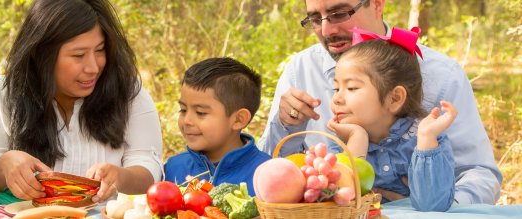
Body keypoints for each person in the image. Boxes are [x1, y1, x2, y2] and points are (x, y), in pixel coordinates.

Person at [257, 0, 502, 204]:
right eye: (315, 19)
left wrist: (436, 205)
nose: (326, 30)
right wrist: (285, 126)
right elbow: (268, 175)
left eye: (338, 14)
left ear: (377, 4)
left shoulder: (442, 74)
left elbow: (478, 173)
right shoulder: (299, 71)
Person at [0, 0, 163, 206]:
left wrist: (119, 177)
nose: (93, 67)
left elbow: (149, 167)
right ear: (38, 53)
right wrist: (3, 167)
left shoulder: (129, 92)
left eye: (100, 50)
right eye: (78, 55)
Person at [327, 27, 456, 211]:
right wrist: (357, 138)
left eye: (352, 88)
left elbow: (434, 207)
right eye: (336, 88)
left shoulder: (427, 141)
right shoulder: (339, 145)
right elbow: (341, 202)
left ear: (394, 98)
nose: (337, 98)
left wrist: (427, 141)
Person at [164, 58, 272, 196]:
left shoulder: (267, 173)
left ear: (238, 119)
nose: (186, 121)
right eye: (183, 110)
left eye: (200, 113)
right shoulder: (174, 166)